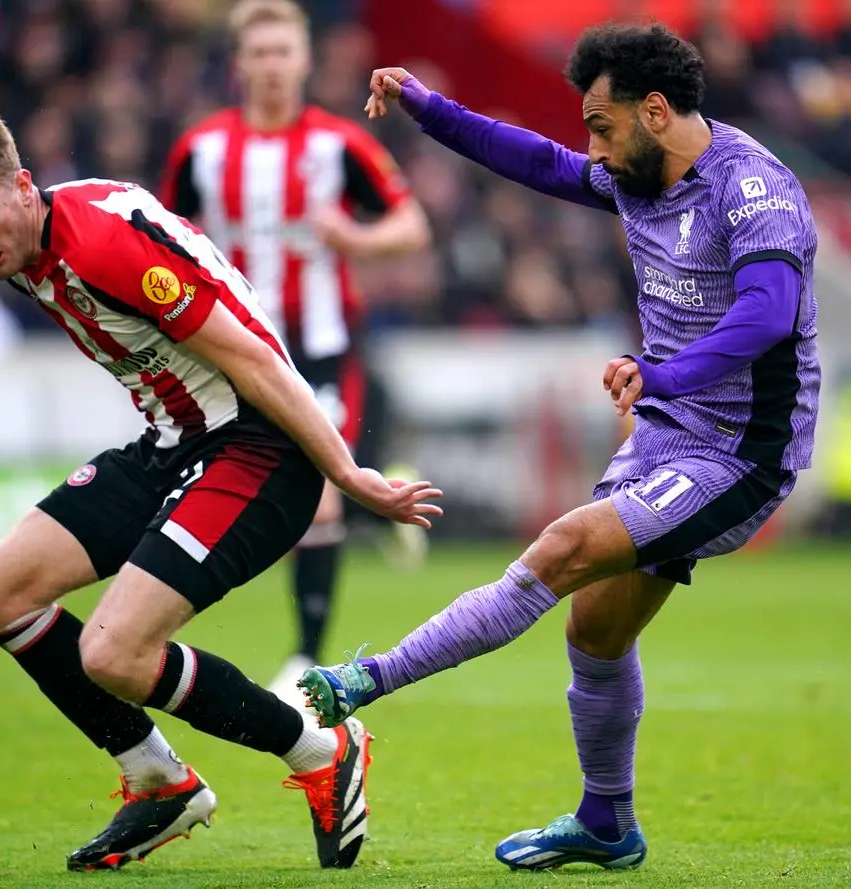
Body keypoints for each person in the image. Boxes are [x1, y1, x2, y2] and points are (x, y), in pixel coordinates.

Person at [301, 22, 821, 872]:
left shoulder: (753, 187)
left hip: (739, 452)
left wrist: (663, 374)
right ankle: (607, 821)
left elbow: (767, 314)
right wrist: (429, 109)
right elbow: (537, 161)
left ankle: (367, 681)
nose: (594, 150)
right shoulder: (637, 175)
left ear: (656, 112)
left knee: (564, 546)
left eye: (603, 127)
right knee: (595, 631)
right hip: (666, 434)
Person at [0, 102, 441, 872]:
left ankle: (320, 749)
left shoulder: (104, 242)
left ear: (22, 186)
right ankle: (158, 779)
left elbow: (256, 360)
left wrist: (347, 472)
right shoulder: (23, 255)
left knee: (112, 652)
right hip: (173, 444)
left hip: (258, 450)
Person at [159, 0, 432, 701]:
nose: (274, 65)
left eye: (285, 52)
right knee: (238, 483)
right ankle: (378, 495)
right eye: (262, 53)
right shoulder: (201, 149)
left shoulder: (339, 144)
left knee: (318, 499)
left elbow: (410, 225)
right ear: (240, 64)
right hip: (230, 348)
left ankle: (305, 653)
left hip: (319, 348)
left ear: (306, 61)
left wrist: (354, 238)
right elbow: (160, 238)